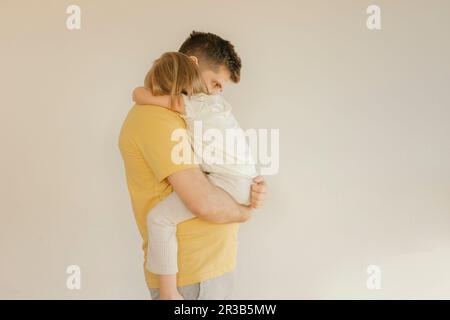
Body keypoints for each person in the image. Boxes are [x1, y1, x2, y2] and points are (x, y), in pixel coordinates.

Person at [118, 31, 267, 300]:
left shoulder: (195, 109)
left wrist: (248, 194)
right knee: (160, 219)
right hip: (190, 279)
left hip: (209, 271)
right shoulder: (158, 118)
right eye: (215, 82)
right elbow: (203, 202)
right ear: (193, 64)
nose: (218, 91)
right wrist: (244, 211)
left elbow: (209, 169)